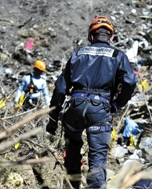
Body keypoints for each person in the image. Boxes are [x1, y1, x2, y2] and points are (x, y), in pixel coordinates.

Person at [45, 16, 137, 189]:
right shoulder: (118, 55)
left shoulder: (77, 54)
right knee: (97, 159)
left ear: (90, 36)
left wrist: (52, 120)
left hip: (75, 108)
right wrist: (117, 104)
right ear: (111, 37)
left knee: (72, 153)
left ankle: (71, 185)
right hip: (100, 110)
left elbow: (59, 89)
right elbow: (130, 82)